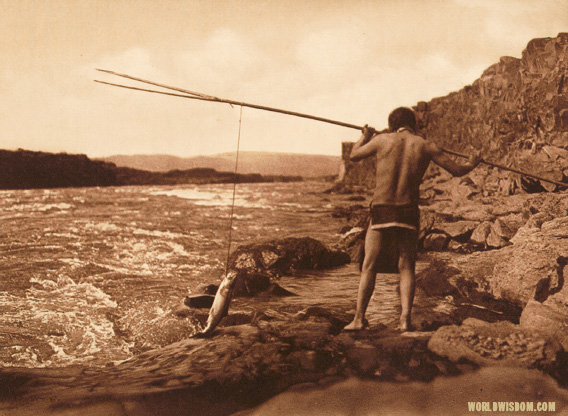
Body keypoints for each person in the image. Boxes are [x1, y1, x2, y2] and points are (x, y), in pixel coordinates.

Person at [343, 107, 482, 332]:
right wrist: (473, 162)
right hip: (407, 210)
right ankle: (404, 320)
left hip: (382, 209)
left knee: (369, 265)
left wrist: (364, 135)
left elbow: (354, 155)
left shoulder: (381, 140)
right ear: (413, 124)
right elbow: (457, 170)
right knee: (406, 265)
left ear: (391, 125)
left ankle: (359, 318)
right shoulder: (426, 145)